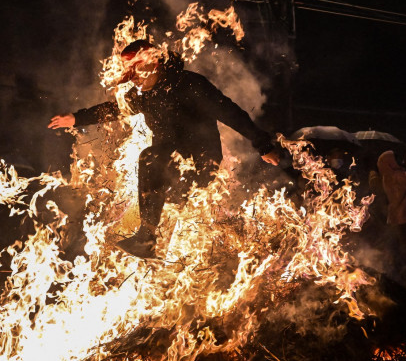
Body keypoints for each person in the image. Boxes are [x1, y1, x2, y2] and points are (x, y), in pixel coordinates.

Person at [48, 39, 280, 258]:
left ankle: (151, 240)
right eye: (131, 74)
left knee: (151, 160)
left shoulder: (189, 84)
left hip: (200, 162)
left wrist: (263, 145)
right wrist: (76, 119)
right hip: (166, 164)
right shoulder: (142, 96)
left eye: (138, 70)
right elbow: (113, 109)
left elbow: (231, 113)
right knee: (153, 174)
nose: (135, 79)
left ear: (155, 63)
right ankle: (149, 244)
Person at [377, 150, 406, 290]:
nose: (398, 161)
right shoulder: (396, 176)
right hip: (404, 217)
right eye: (395, 159)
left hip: (400, 217)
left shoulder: (390, 176)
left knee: (405, 251)